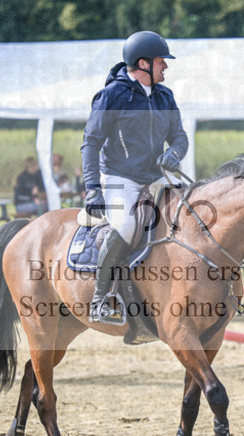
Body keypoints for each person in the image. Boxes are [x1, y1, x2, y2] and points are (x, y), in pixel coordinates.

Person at [80, 30, 188, 323]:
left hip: (156, 178)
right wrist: (92, 188)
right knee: (127, 226)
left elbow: (180, 137)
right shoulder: (112, 96)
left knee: (190, 214)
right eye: (160, 61)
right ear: (142, 64)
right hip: (120, 179)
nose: (165, 66)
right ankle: (101, 299)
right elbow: (90, 143)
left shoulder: (165, 96)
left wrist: (174, 154)